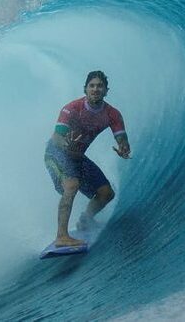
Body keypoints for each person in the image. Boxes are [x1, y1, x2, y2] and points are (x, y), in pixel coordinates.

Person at [44, 70, 132, 247]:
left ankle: (85, 220)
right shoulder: (72, 109)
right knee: (71, 185)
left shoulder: (112, 114)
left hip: (77, 158)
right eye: (92, 86)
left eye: (100, 86)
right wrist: (66, 143)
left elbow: (122, 140)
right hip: (56, 153)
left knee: (106, 194)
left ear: (106, 90)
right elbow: (57, 137)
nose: (96, 89)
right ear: (85, 89)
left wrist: (124, 149)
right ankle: (61, 236)